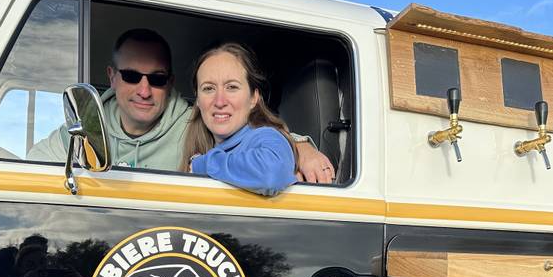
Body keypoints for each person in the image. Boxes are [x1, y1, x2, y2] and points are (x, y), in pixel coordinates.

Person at [28, 29, 335, 183]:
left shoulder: (195, 122)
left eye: (157, 79)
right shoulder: (86, 127)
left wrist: (301, 148)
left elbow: (257, 145)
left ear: (171, 82)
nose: (145, 90)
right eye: (132, 76)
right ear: (112, 77)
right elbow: (29, 171)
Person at [183, 43, 296, 196]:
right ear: (197, 99)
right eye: (209, 88)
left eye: (232, 87)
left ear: (254, 98)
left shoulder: (265, 136)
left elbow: (271, 175)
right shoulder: (200, 146)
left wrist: (203, 164)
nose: (219, 101)